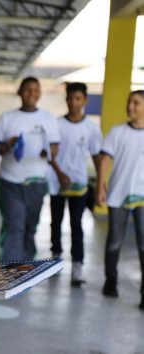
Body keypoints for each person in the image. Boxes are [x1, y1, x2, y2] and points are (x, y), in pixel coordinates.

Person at [0, 77, 60, 261]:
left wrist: (46, 151)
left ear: (39, 93)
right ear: (19, 92)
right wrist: (9, 144)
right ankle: (11, 270)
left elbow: (55, 148)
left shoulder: (48, 119)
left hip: (36, 183)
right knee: (15, 225)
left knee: (30, 226)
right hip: (10, 182)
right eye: (27, 89)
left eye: (35, 90)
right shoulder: (7, 118)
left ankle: (26, 263)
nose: (31, 93)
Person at [47, 82, 102, 286]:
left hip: (79, 185)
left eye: (78, 98)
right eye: (70, 98)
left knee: (76, 225)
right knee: (56, 223)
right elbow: (50, 154)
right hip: (57, 183)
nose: (73, 102)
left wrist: (102, 185)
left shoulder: (91, 128)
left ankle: (77, 266)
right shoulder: (57, 124)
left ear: (85, 101)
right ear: (66, 100)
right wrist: (59, 173)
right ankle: (54, 261)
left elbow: (97, 158)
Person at [96, 90, 144, 310]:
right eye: (129, 102)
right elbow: (105, 160)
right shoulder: (117, 132)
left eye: (136, 103)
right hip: (118, 195)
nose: (130, 106)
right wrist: (100, 188)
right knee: (115, 241)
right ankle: (110, 282)